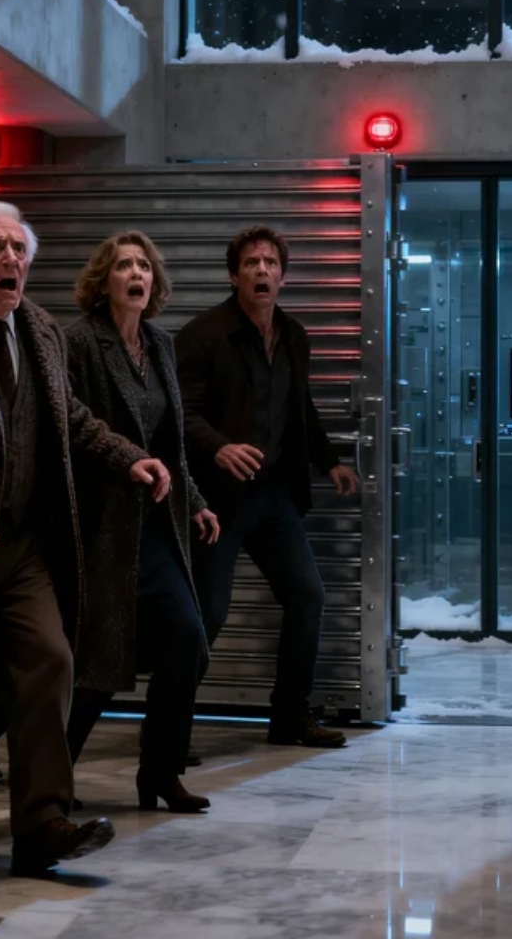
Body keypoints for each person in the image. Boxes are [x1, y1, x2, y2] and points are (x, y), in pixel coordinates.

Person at [0, 202, 171, 877]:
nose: (11, 261)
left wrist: (127, 458)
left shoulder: (42, 330)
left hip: (20, 546)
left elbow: (70, 419)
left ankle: (41, 827)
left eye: (19, 249)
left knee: (50, 660)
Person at [0, 233, 220, 812]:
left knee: (187, 642)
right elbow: (65, 427)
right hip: (96, 527)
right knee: (95, 658)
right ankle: (22, 758)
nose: (137, 274)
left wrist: (197, 501)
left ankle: (160, 773)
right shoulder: (77, 343)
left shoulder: (160, 344)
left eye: (144, 266)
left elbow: (171, 443)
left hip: (153, 526)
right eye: (124, 265)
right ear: (104, 281)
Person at [176, 225, 360, 748]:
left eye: (270, 263)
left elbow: (301, 408)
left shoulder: (294, 335)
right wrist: (219, 447)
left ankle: (289, 718)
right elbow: (179, 413)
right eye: (251, 263)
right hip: (218, 500)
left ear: (282, 275)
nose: (261, 270)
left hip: (275, 495)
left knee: (307, 596)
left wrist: (329, 462)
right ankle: (171, 729)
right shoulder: (203, 335)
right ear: (234, 275)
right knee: (208, 612)